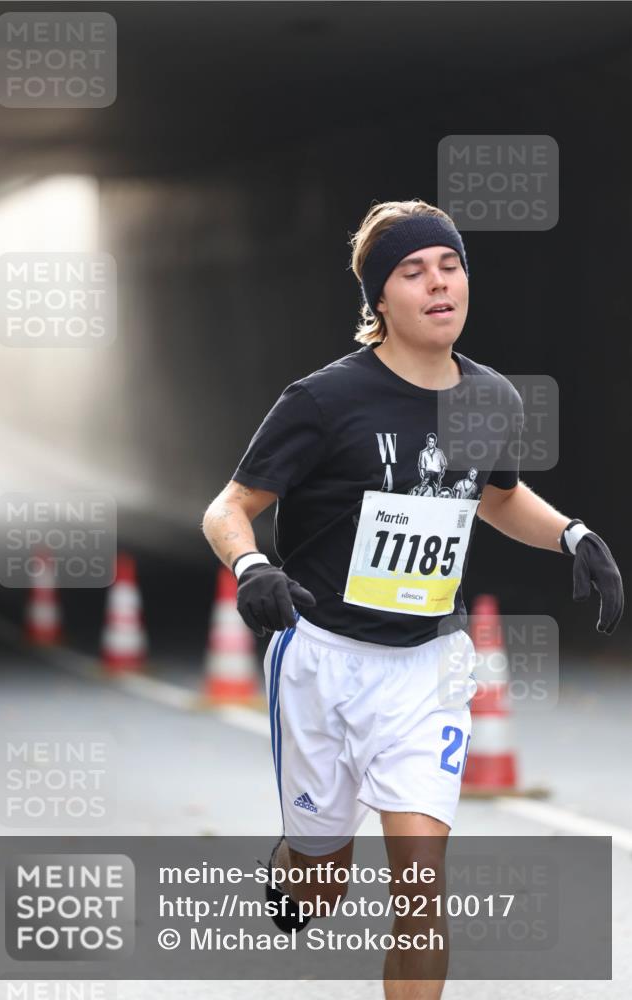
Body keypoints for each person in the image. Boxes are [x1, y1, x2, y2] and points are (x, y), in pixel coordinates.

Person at [201, 198, 624, 998]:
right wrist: (253, 567)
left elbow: (495, 495)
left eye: (449, 264)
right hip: (323, 660)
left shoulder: (490, 397)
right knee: (321, 887)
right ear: (378, 301)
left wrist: (571, 535)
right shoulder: (322, 401)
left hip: (428, 669)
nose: (438, 282)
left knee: (421, 891)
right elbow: (229, 507)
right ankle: (301, 865)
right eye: (411, 270)